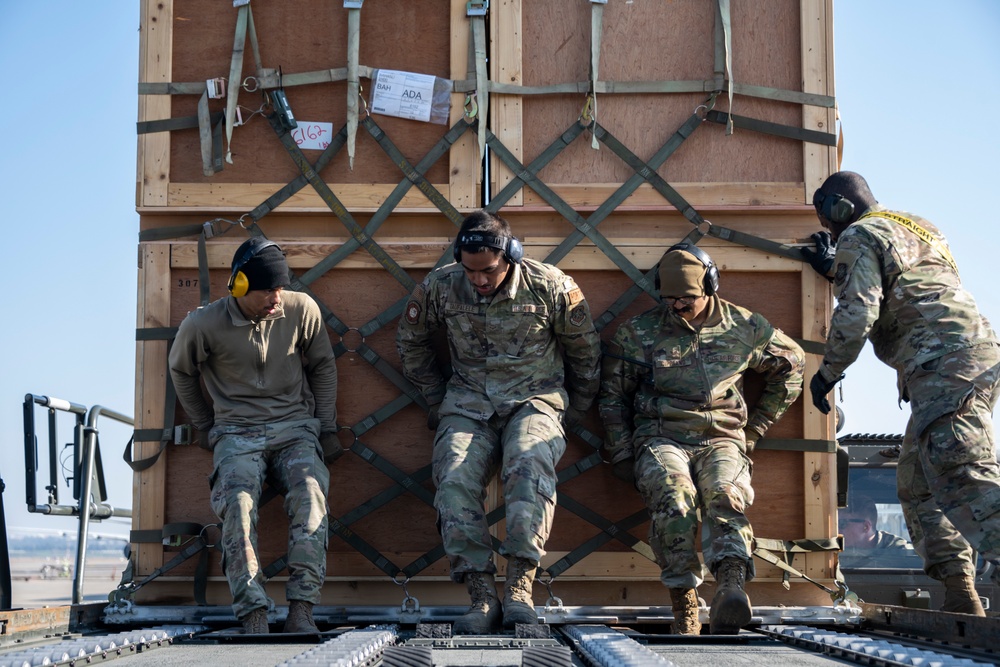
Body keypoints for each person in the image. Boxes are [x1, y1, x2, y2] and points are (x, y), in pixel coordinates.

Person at [804, 170, 1000, 616]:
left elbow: (858, 315)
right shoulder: (918, 225)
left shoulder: (857, 234)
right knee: (919, 484)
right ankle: (960, 593)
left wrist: (827, 373)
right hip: (967, 357)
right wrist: (838, 269)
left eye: (827, 218)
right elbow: (908, 282)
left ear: (839, 208)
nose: (831, 229)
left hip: (942, 363)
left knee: (965, 475)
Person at [396, 210, 601, 634]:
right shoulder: (441, 285)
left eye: (487, 271)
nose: (479, 280)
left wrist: (570, 409)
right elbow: (410, 342)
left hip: (534, 399)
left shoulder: (550, 286)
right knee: (453, 477)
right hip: (468, 402)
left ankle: (520, 588)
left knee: (528, 468)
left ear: (511, 255)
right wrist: (437, 397)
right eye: (470, 272)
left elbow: (586, 352)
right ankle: (481, 595)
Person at [598, 244, 805, 636]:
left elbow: (792, 366)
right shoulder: (639, 333)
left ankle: (730, 585)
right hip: (661, 437)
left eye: (687, 298)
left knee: (725, 494)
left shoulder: (744, 327)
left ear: (710, 286)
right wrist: (621, 450)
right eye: (670, 298)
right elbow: (612, 395)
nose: (678, 306)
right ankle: (685, 603)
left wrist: (758, 427)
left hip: (722, 437)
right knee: (674, 497)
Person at [168, 237, 340, 634]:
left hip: (295, 428)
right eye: (266, 290)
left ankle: (302, 608)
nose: (276, 298)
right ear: (240, 286)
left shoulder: (301, 310)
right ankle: (253, 612)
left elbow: (323, 367)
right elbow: (181, 371)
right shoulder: (203, 324)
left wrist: (326, 426)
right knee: (237, 504)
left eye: (280, 288)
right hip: (236, 431)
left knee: (310, 497)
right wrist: (205, 424)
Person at [839, 496, 916, 569]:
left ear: (866, 527)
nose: (837, 530)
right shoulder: (835, 549)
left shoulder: (900, 551)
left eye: (842, 524)